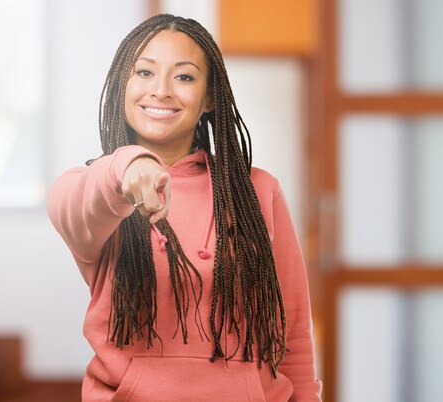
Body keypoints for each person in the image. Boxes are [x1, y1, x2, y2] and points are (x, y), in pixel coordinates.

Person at [47, 14, 322, 401]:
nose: (160, 90)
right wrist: (129, 166)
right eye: (144, 72)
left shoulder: (258, 191)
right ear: (123, 85)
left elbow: (292, 331)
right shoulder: (95, 189)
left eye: (184, 76)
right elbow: (71, 204)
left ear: (209, 97)